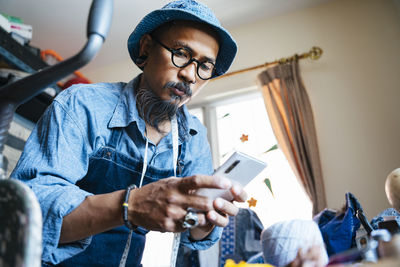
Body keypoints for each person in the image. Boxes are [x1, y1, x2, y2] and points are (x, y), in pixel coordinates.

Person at [11, 0, 247, 266]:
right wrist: (130, 205)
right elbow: (26, 213)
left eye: (205, 66)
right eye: (181, 53)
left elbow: (198, 234)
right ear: (146, 48)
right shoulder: (82, 104)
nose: (191, 75)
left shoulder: (193, 136)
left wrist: (206, 217)